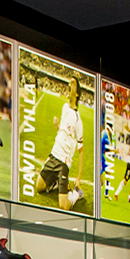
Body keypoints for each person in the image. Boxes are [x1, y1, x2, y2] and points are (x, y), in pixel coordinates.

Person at [33, 77, 85, 211]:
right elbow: (63, 133)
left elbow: (81, 150)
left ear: (77, 93)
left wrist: (78, 178)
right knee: (39, 187)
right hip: (54, 154)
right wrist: (57, 126)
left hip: (63, 163)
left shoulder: (77, 120)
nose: (69, 84)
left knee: (64, 205)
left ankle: (76, 194)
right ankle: (56, 182)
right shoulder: (64, 107)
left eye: (72, 83)